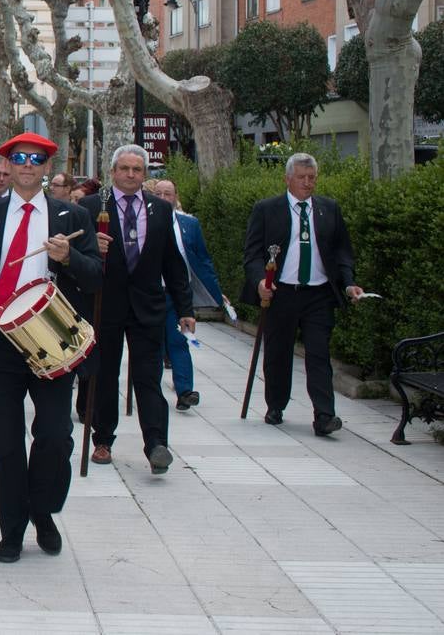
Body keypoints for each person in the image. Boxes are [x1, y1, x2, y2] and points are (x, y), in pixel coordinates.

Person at [0, 133, 101, 564]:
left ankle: (44, 509)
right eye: (20, 158)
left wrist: (70, 257)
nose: (28, 165)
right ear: (8, 165)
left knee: (55, 435)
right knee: (5, 443)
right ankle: (12, 529)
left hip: (52, 339)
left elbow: (95, 277)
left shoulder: (72, 216)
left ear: (47, 167)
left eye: (37, 159)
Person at [80, 145, 194, 473]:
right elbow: (73, 255)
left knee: (148, 377)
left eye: (137, 170)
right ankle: (103, 438)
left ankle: (156, 442)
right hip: (106, 304)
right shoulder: (91, 207)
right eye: (125, 169)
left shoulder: (160, 209)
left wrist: (184, 307)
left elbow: (172, 262)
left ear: (145, 175)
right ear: (113, 172)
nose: (131, 175)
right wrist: (91, 246)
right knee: (104, 374)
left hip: (147, 306)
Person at [242, 153, 363, 435]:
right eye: (301, 177)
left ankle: (324, 415)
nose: (307, 183)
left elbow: (342, 251)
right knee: (278, 352)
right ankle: (276, 404)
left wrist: (348, 283)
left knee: (319, 354)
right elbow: (252, 254)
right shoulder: (267, 209)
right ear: (287, 179)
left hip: (318, 294)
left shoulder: (328, 209)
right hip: (282, 292)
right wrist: (261, 281)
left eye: (312, 178)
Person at [155, 179, 226, 410]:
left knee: (179, 341)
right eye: (159, 194)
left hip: (178, 294)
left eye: (168, 194)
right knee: (152, 345)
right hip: (150, 293)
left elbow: (202, 260)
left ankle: (185, 391)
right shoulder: (143, 221)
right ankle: (151, 391)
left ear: (176, 197)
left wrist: (216, 291)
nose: (164, 198)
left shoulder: (189, 224)